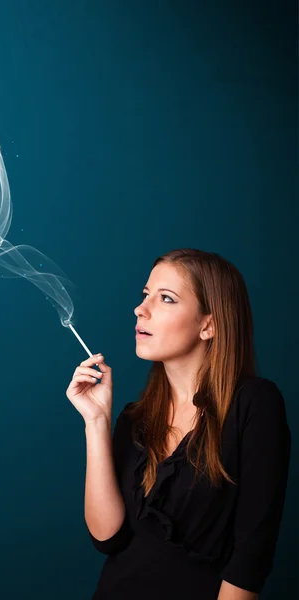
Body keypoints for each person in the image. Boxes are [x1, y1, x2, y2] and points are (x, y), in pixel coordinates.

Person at [66, 248, 291, 600]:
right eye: (145, 295)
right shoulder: (134, 417)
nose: (141, 310)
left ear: (209, 325)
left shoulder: (254, 404)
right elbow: (107, 537)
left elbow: (250, 558)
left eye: (166, 298)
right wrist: (96, 421)